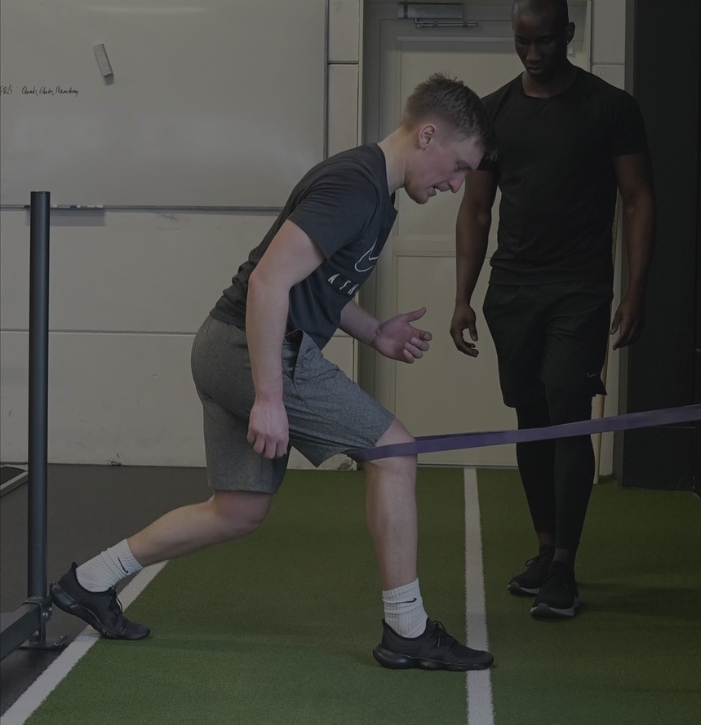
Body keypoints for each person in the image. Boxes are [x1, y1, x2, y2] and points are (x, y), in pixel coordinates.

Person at [50, 73, 497, 672]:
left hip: (225, 345)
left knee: (238, 510)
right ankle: (407, 630)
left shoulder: (377, 193)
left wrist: (374, 332)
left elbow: (314, 283)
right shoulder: (354, 185)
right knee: (395, 453)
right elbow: (268, 282)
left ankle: (89, 581)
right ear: (428, 135)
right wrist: (268, 396)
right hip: (254, 350)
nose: (458, 184)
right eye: (459, 166)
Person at [449, 0, 656, 619]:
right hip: (512, 290)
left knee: (570, 417)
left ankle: (565, 564)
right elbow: (476, 209)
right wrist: (462, 297)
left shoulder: (610, 108)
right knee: (532, 418)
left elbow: (637, 198)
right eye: (522, 42)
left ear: (568, 34)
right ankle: (545, 548)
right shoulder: (493, 113)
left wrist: (635, 289)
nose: (533, 53)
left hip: (579, 290)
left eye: (544, 40)